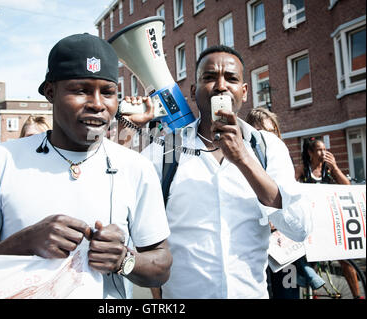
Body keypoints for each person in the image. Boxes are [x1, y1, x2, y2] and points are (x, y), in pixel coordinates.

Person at [0, 33, 172, 299]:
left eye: (108, 92)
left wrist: (123, 259)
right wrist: (23, 243)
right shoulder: (0, 160)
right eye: (81, 90)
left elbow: (161, 267)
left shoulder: (137, 167)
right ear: (50, 92)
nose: (97, 104)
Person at [128, 45, 311, 298]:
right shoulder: (165, 151)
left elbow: (299, 228)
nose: (221, 86)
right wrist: (124, 126)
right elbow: (127, 212)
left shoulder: (268, 148)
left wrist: (244, 159)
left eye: (231, 78)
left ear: (244, 92)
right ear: (193, 91)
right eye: (209, 77)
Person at [245, 107, 325, 299]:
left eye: (273, 132)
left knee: (287, 292)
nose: (268, 137)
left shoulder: (280, 158)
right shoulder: (242, 161)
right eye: (261, 132)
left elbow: (291, 198)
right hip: (255, 249)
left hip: (283, 243)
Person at [297, 137, 363, 299]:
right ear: (310, 152)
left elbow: (347, 187)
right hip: (312, 221)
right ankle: (313, 293)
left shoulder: (328, 169)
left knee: (345, 259)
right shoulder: (303, 169)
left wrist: (335, 167)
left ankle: (357, 295)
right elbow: (290, 186)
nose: (324, 152)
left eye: (325, 149)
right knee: (311, 259)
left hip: (329, 220)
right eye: (319, 149)